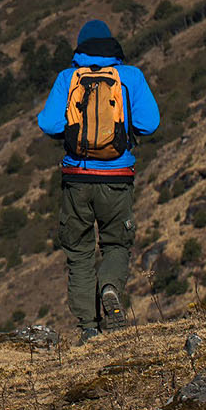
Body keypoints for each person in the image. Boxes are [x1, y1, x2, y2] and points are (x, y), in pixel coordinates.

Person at [35, 18, 160, 341]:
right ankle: (110, 287)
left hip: (76, 178)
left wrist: (74, 130)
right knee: (116, 244)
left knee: (79, 252)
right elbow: (150, 123)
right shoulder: (130, 76)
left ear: (80, 48)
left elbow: (48, 124)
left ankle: (89, 327)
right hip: (118, 178)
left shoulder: (68, 78)